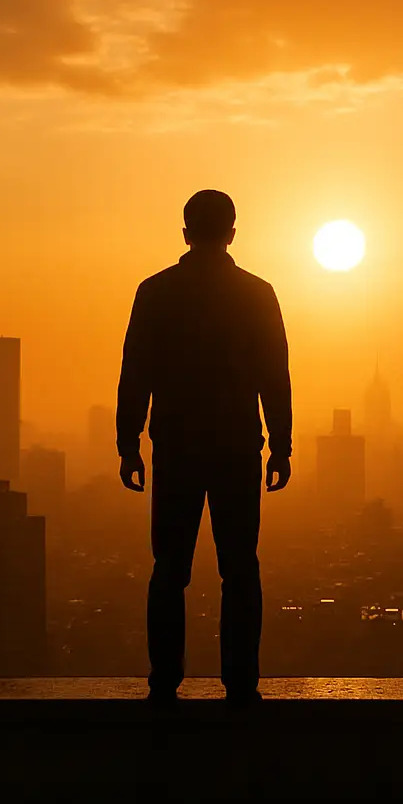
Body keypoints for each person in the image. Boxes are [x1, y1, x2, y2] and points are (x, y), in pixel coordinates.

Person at [116, 189, 292, 708]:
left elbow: (135, 374)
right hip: (237, 445)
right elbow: (274, 377)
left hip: (177, 446)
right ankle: (241, 685)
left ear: (186, 232)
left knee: (170, 567)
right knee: (240, 566)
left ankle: (163, 684)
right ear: (232, 232)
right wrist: (281, 445)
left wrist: (129, 444)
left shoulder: (156, 292)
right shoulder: (257, 294)